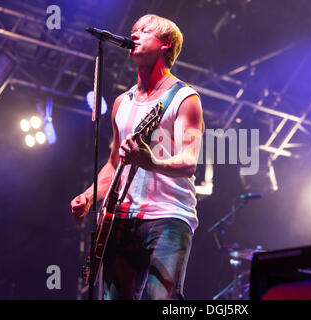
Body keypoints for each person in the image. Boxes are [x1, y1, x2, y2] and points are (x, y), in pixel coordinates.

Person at [70, 14, 204, 300]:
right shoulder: (122, 102)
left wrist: (151, 162)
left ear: (166, 44)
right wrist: (89, 196)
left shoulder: (184, 98)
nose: (135, 34)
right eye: (133, 31)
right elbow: (114, 164)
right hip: (120, 219)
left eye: (145, 31)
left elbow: (189, 162)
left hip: (168, 216)